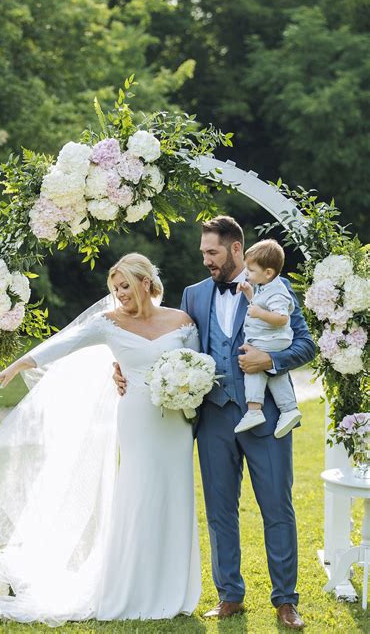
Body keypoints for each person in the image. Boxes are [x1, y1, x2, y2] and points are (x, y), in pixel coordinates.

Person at [0, 253, 202, 626]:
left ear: (146, 283)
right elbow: (66, 342)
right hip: (138, 420)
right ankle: (132, 586)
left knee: (176, 495)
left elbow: (198, 366)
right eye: (115, 288)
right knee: (139, 496)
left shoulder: (182, 322)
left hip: (177, 424)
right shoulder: (109, 323)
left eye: (125, 286)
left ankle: (174, 588)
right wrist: (20, 364)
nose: (120, 294)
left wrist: (188, 391)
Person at [114, 217, 315, 631]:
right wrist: (121, 367)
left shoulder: (273, 287)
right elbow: (167, 343)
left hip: (266, 419)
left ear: (236, 249)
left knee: (276, 507)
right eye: (203, 252)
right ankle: (230, 596)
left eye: (212, 253)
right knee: (220, 511)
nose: (205, 259)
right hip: (214, 418)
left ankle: (285, 601)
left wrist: (270, 361)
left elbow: (305, 343)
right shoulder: (193, 295)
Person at [234, 238, 302, 437]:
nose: (246, 273)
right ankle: (289, 409)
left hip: (271, 338)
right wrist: (249, 293)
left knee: (253, 366)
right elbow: (261, 304)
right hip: (272, 338)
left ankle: (254, 410)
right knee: (273, 372)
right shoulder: (267, 286)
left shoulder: (279, 292)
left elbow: (281, 318)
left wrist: (259, 314)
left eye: (251, 270)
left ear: (268, 272)